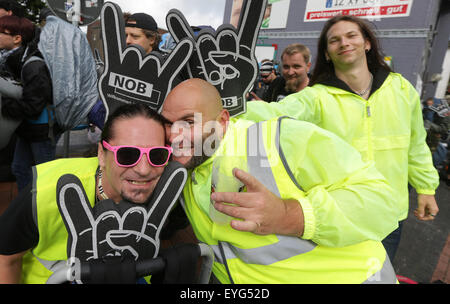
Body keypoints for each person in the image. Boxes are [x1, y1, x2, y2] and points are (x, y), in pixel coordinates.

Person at [239, 15, 440, 263]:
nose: (344, 43)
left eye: (351, 36)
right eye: (334, 40)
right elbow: (273, 113)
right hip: (339, 215)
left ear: (367, 43)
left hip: (389, 215)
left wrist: (425, 188)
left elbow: (416, 144)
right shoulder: (316, 97)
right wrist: (221, 110)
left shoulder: (400, 88)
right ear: (326, 54)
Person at [162, 78, 398, 283]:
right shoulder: (185, 167)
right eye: (168, 124)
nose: (174, 135)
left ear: (223, 121)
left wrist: (292, 215)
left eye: (189, 122)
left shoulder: (280, 140)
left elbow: (381, 200)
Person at [0, 103, 189, 284]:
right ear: (101, 154)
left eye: (157, 155)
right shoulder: (47, 191)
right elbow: (5, 258)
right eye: (127, 154)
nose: (144, 170)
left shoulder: (163, 191)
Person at [0, 15, 60, 191]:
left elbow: (33, 106)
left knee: (45, 176)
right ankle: (26, 210)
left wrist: (3, 106)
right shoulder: (13, 61)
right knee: (20, 169)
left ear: (17, 39)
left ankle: (44, 213)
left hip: (41, 131)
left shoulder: (33, 65)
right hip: (28, 129)